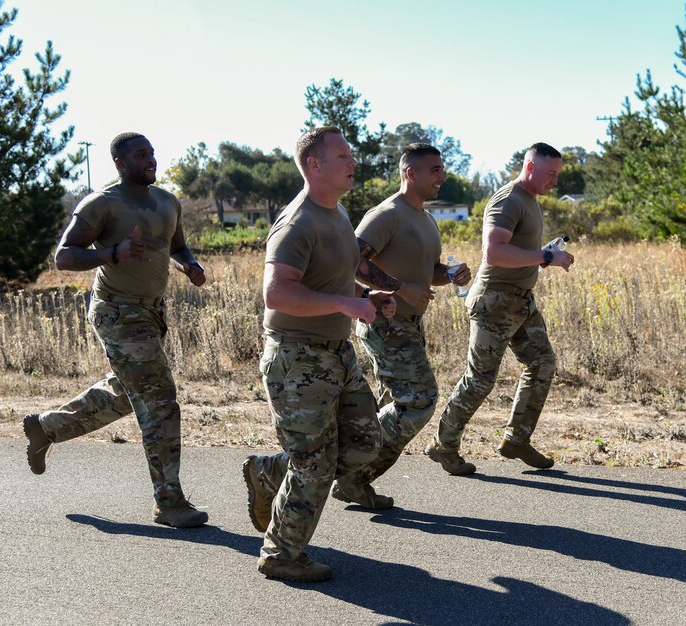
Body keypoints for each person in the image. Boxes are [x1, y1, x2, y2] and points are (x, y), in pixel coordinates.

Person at [21, 132, 210, 528]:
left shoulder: (167, 201)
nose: (151, 160)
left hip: (152, 312)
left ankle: (47, 427)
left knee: (129, 394)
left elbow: (176, 246)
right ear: (121, 163)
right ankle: (169, 501)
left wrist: (189, 266)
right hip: (117, 311)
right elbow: (65, 256)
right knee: (159, 400)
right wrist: (112, 253)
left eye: (153, 153)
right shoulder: (102, 203)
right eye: (142, 155)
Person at [241, 126, 396, 583]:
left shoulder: (338, 214)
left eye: (351, 154)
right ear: (314, 165)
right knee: (315, 463)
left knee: (364, 443)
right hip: (297, 359)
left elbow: (329, 282)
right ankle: (281, 554)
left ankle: (270, 471)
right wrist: (347, 305)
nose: (353, 161)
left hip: (336, 352)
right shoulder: (297, 223)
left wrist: (367, 294)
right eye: (343, 155)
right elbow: (277, 293)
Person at [331, 143, 471, 509]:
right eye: (435, 170)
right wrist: (398, 288)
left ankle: (355, 477)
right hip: (384, 322)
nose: (442, 176)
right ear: (411, 174)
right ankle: (346, 470)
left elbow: (428, 273)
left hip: (410, 325)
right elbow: (353, 262)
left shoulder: (425, 218)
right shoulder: (386, 214)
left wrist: (451, 274)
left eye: (442, 169)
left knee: (397, 403)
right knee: (419, 401)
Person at [426, 142, 574, 475]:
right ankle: (443, 444)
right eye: (550, 174)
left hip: (521, 300)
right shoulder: (507, 199)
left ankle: (516, 439)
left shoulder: (530, 201)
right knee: (480, 379)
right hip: (494, 301)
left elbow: (518, 253)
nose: (555, 181)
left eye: (558, 174)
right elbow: (494, 252)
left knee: (542, 363)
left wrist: (541, 257)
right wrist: (546, 256)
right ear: (530, 167)